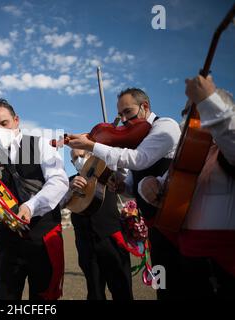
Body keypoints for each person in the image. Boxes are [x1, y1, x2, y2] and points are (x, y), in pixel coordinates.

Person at [66, 88, 182, 299]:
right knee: (163, 287)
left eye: (128, 112)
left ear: (145, 107)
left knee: (180, 284)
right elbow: (133, 183)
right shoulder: (137, 138)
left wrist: (93, 145)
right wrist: (123, 186)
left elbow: (139, 159)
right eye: (120, 116)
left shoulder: (166, 126)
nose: (124, 122)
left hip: (175, 225)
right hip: (155, 227)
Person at [139, 75, 235, 299]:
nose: (190, 118)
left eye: (197, 109)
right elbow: (164, 181)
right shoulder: (190, 154)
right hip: (189, 259)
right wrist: (147, 185)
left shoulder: (226, 150)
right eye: (187, 113)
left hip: (225, 265)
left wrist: (209, 101)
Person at [0, 99, 68, 300]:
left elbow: (59, 181)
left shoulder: (41, 144)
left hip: (42, 237)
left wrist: (30, 206)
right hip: (8, 243)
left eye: (4, 123)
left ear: (16, 121)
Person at [62, 148, 133, 300]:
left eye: (82, 155)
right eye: (75, 158)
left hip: (112, 239)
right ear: (71, 163)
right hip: (85, 243)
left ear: (91, 156)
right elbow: (58, 204)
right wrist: (69, 188)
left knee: (122, 290)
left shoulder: (108, 173)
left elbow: (123, 167)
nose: (79, 160)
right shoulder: (69, 181)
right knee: (94, 292)